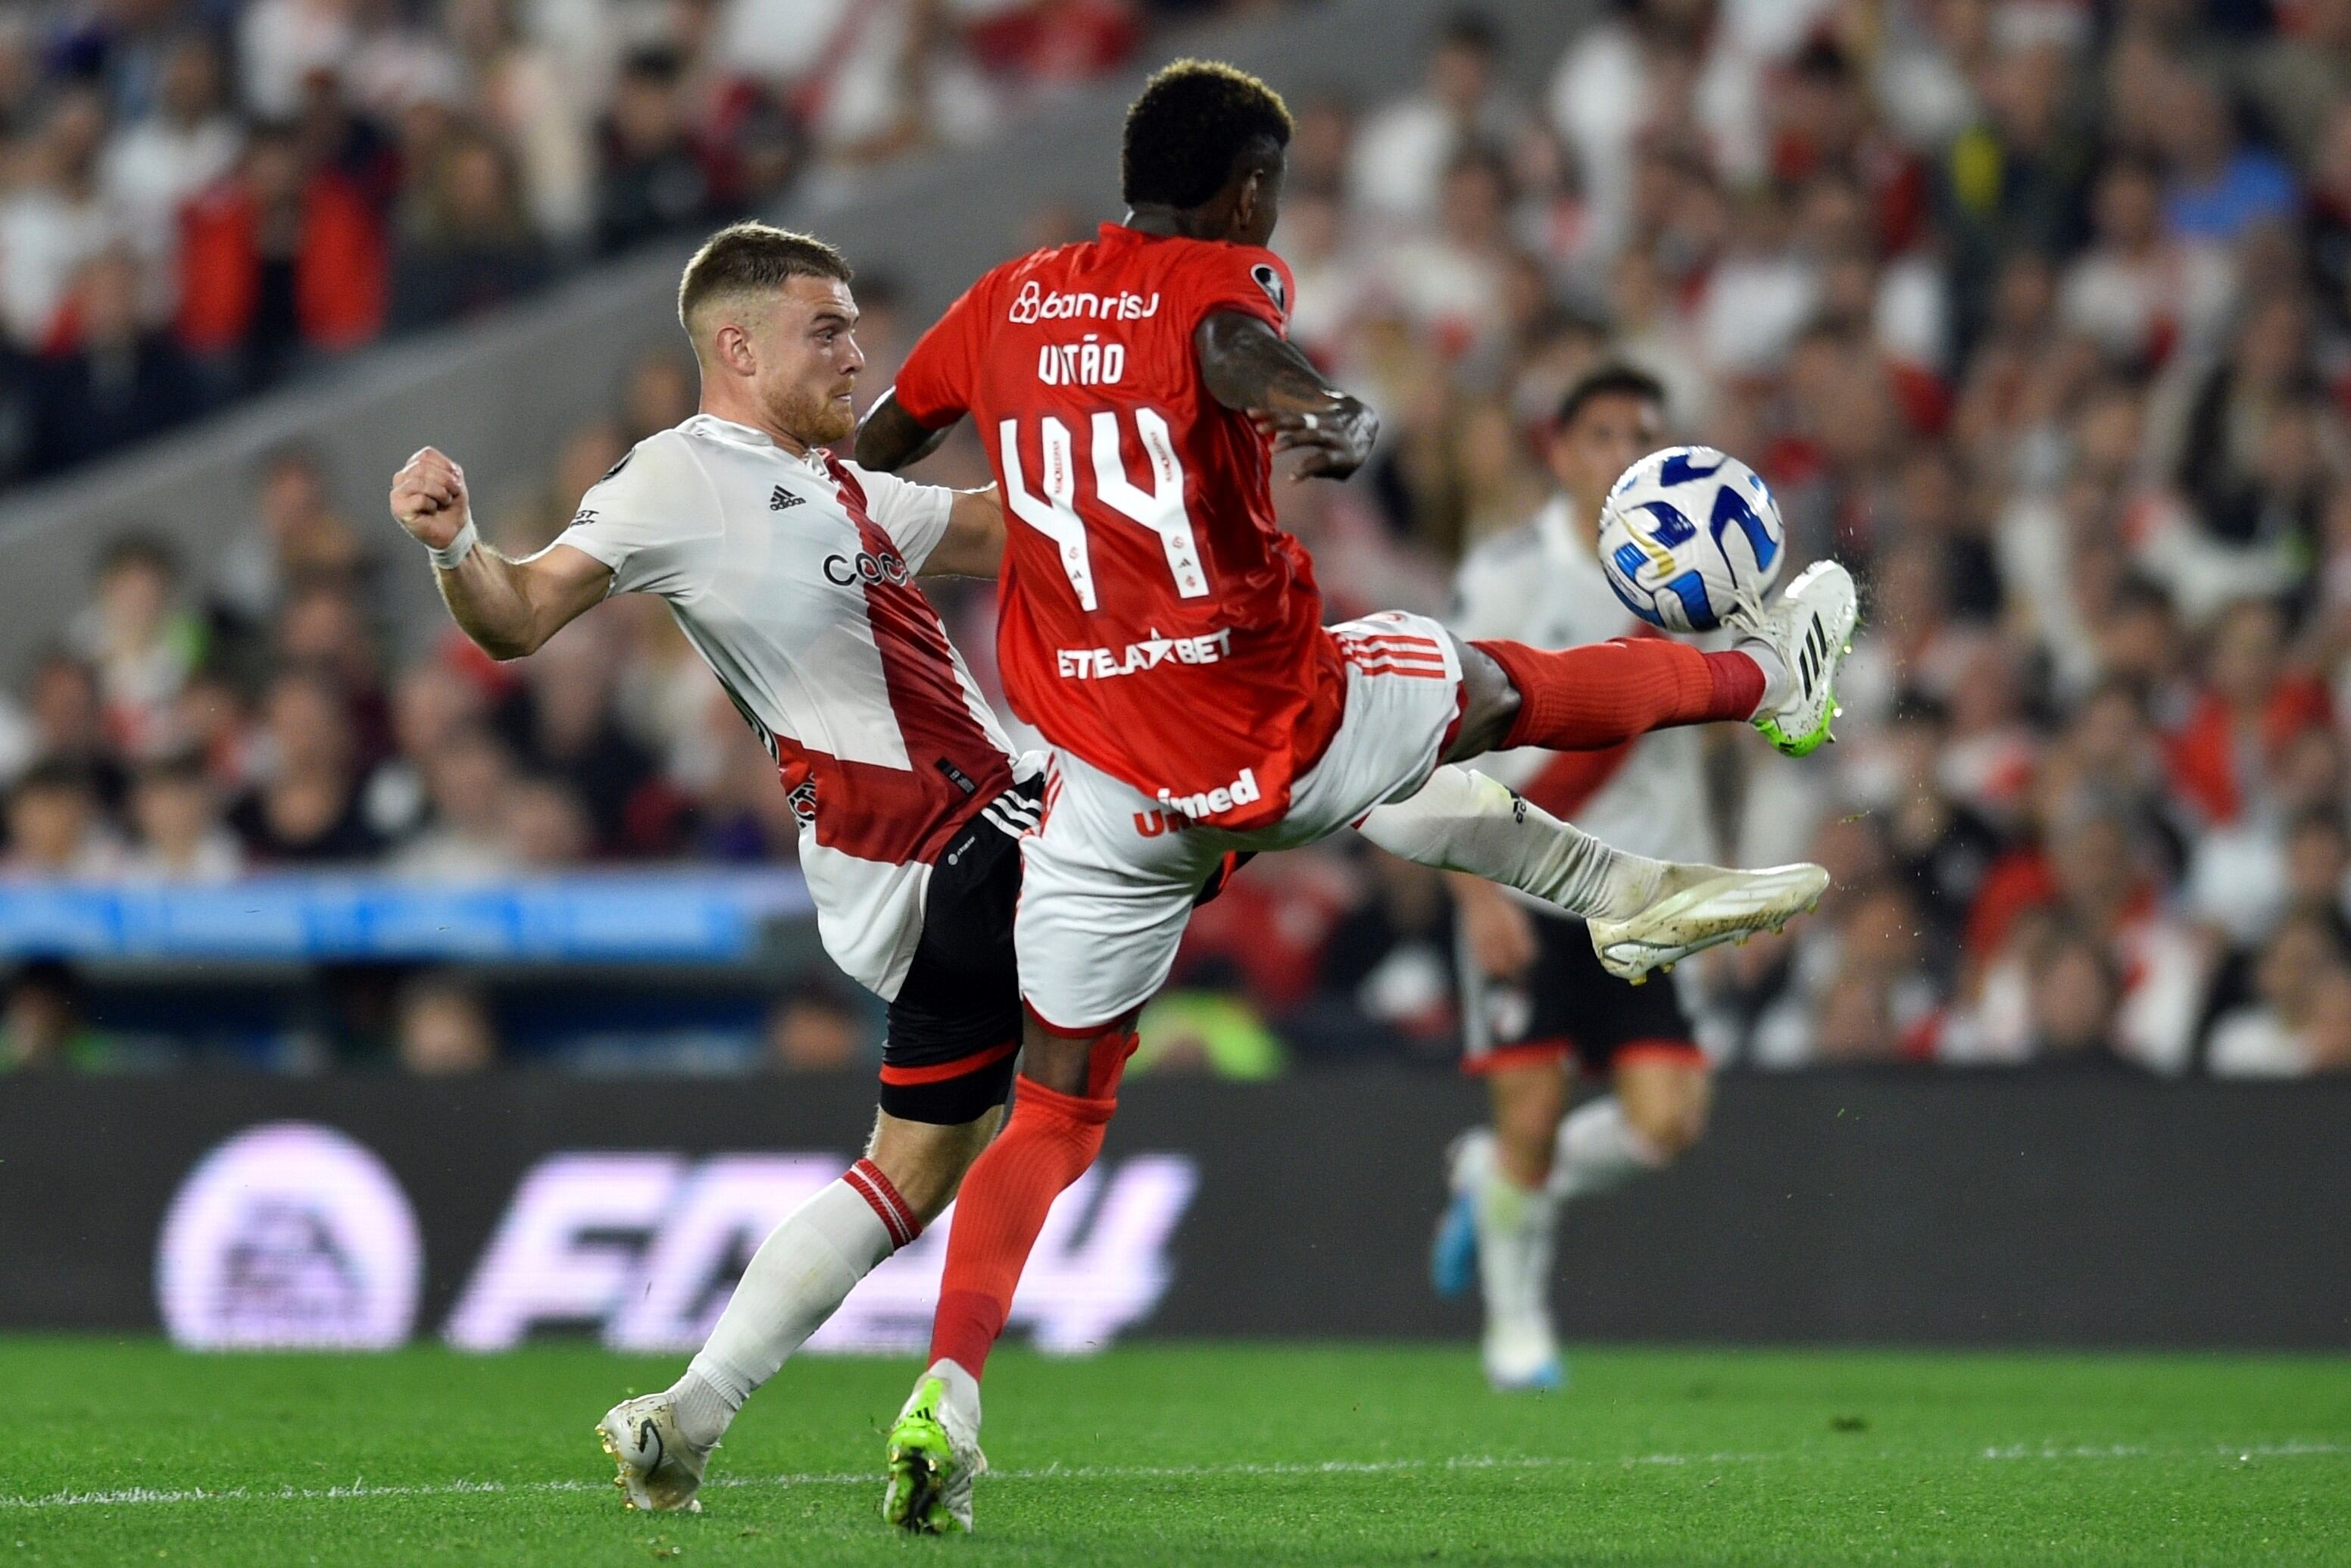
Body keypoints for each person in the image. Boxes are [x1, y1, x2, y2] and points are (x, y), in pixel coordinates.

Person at [395, 219, 1827, 1525]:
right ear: (738, 346)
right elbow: (521, 615)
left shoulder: (829, 489)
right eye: (828, 329)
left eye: (855, 325)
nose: (858, 351)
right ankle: (1633, 862)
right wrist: (461, 543)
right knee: (1303, 733)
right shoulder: (674, 480)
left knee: (912, 1164)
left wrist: (1157, 490)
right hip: (965, 842)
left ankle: (685, 1420)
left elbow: (1006, 531)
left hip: (932, 877)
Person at [854, 60, 1858, 1532]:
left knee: (1053, 1115)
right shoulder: (1214, 274)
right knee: (1495, 687)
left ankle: (949, 1380)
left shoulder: (1001, 303)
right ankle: (1778, 682)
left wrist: (832, 508)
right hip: (1269, 725)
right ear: (1248, 187)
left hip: (1104, 791)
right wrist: (1319, 404)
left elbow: (882, 441)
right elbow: (1221, 340)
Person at [1427, 363, 1737, 1390]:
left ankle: (1496, 1183)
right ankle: (1516, 1327)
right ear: (1559, 451)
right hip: (1525, 886)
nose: (1618, 455)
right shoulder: (1510, 571)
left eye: (1637, 437)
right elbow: (1445, 738)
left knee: (1670, 1122)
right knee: (1529, 1115)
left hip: (1643, 893)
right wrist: (1471, 891)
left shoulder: (1701, 579)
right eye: (1600, 435)